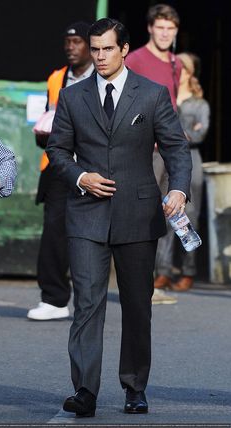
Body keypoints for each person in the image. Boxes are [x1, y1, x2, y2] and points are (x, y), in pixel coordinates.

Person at [46, 17, 192, 417]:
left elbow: (176, 148)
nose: (99, 56)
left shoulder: (152, 94)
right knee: (88, 304)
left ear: (125, 49)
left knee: (136, 306)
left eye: (107, 48)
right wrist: (80, 176)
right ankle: (85, 391)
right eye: (95, 49)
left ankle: (134, 387)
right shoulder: (73, 97)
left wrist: (177, 189)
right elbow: (57, 151)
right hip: (86, 216)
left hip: (138, 215)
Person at [27, 22, 94, 321]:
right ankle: (54, 299)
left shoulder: (105, 77)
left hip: (94, 166)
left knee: (96, 233)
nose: (71, 47)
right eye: (67, 42)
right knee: (54, 231)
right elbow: (47, 116)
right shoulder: (56, 78)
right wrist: (42, 132)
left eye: (77, 41)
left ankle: (92, 298)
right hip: (58, 166)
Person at [125, 3, 181, 302]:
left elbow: (172, 104)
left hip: (169, 149)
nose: (164, 33)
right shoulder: (135, 59)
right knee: (142, 214)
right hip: (145, 149)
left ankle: (157, 277)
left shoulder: (176, 63)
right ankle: (141, 285)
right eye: (159, 27)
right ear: (149, 28)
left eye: (170, 28)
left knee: (170, 210)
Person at [155, 52, 210, 291]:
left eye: (181, 68)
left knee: (190, 215)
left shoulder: (199, 103)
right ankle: (163, 270)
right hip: (164, 159)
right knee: (165, 213)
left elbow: (200, 133)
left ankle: (188, 270)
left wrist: (178, 134)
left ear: (189, 71)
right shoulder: (165, 96)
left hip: (191, 158)